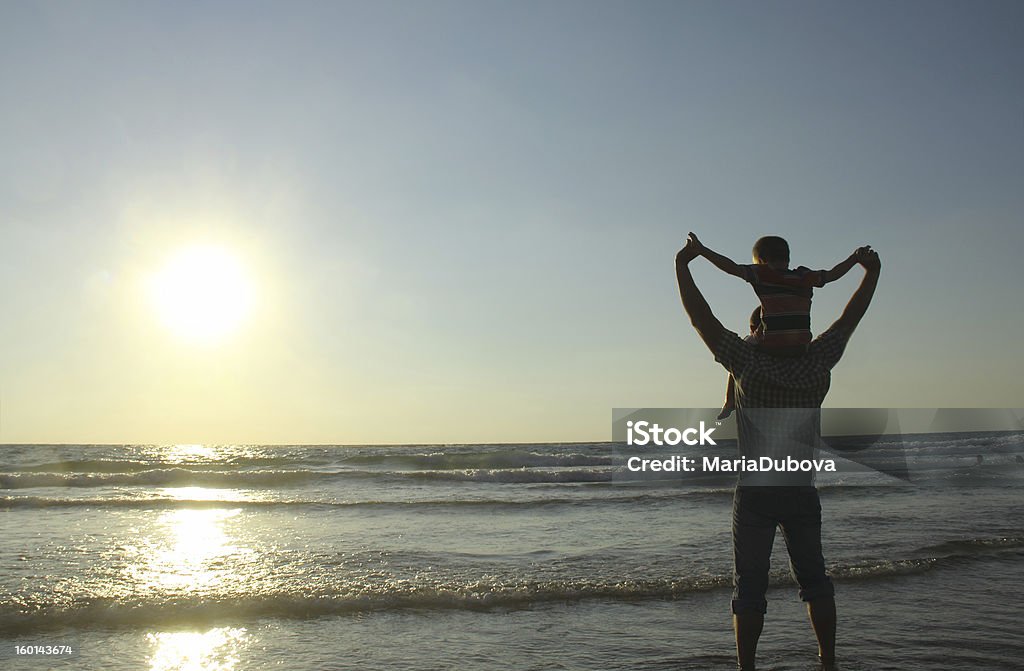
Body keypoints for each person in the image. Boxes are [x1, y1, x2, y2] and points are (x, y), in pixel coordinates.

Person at [675, 234, 881, 671]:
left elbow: (702, 319)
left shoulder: (747, 364)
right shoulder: (816, 362)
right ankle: (828, 660)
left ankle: (746, 667)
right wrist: (870, 273)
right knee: (815, 580)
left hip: (756, 492)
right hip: (801, 490)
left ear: (761, 325)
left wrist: (684, 266)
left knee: (749, 586)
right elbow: (849, 319)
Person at [687, 233, 866, 352]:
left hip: (770, 345)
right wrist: (854, 258)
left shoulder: (763, 274)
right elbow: (833, 274)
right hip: (800, 346)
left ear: (762, 261)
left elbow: (731, 268)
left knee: (743, 346)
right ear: (787, 258)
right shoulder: (803, 276)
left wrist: (703, 251)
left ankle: (729, 402)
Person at [719, 306, 764, 420]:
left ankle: (729, 402)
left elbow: (733, 366)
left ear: (752, 328)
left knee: (734, 365)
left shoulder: (751, 341)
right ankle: (729, 402)